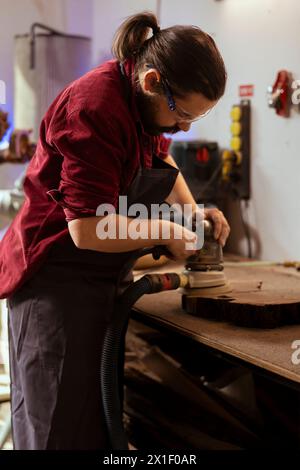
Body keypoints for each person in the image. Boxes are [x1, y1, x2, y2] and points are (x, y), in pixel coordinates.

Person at [0, 12, 230, 449]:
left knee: (96, 423)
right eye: (182, 113)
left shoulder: (148, 108)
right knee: (56, 427)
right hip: (55, 280)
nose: (184, 127)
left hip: (101, 278)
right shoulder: (94, 105)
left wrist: (194, 213)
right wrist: (163, 228)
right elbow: (86, 229)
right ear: (151, 82)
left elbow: (162, 159)